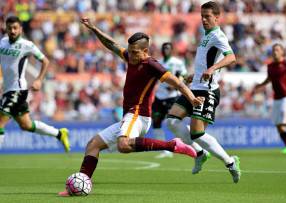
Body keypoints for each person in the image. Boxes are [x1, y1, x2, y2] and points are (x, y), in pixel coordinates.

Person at [58, 17, 204, 196]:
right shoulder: (131, 56)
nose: (130, 55)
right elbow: (111, 44)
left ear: (145, 51)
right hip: (129, 116)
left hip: (139, 115)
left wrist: (192, 99)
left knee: (123, 145)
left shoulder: (152, 65)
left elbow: (178, 84)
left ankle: (171, 145)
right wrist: (93, 28)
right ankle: (79, 185)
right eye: (129, 51)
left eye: (135, 52)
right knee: (93, 145)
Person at [165, 1, 241, 183]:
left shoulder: (219, 36)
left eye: (207, 17)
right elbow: (204, 62)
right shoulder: (206, 36)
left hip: (207, 91)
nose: (204, 20)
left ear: (217, 17)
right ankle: (200, 152)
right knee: (173, 121)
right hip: (195, 86)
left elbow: (231, 57)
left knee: (197, 134)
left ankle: (230, 162)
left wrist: (212, 69)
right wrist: (195, 75)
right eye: (202, 16)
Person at [0, 16, 70, 152]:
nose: (13, 31)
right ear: (6, 29)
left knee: (0, 121)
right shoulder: (2, 43)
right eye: (10, 28)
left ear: (20, 29)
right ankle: (59, 134)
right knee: (26, 125)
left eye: (15, 28)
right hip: (8, 89)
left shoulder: (27, 45)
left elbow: (45, 61)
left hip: (18, 89)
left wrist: (38, 80)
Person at [152, 42, 206, 159]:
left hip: (172, 96)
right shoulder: (158, 62)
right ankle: (165, 150)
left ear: (172, 50)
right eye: (164, 48)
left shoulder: (177, 62)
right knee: (156, 123)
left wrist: (176, 84)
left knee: (174, 122)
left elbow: (184, 76)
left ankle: (195, 145)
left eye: (168, 48)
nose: (166, 50)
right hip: (159, 96)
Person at [253, 43, 286, 154]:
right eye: (274, 50)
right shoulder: (270, 66)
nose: (275, 52)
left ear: (282, 52)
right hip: (277, 97)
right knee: (278, 123)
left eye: (278, 50)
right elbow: (269, 78)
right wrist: (260, 85)